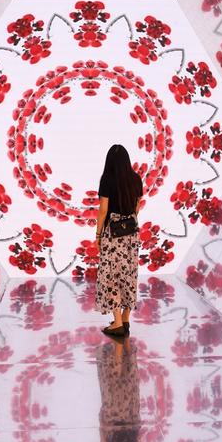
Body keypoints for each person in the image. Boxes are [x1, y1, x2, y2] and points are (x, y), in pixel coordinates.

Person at [95, 144, 143, 337]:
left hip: (113, 235)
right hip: (132, 233)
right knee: (129, 274)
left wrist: (98, 235)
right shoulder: (136, 178)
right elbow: (137, 207)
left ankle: (117, 323)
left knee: (111, 276)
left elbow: (103, 211)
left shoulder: (107, 179)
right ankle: (125, 318)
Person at [96, 337, 144, 442]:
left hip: (131, 419)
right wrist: (102, 427)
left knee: (130, 379)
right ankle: (119, 336)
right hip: (113, 423)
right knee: (112, 381)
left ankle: (124, 336)